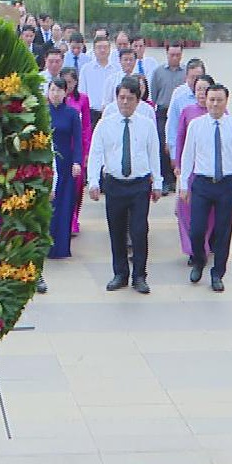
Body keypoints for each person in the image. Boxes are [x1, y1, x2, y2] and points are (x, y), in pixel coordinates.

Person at [87, 77, 162, 294]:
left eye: (130, 98)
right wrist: (93, 181)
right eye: (121, 98)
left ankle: (139, 275)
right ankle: (120, 273)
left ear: (138, 100)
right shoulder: (105, 124)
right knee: (116, 230)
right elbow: (96, 153)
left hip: (139, 185)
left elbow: (153, 153)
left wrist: (158, 182)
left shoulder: (146, 125)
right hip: (114, 184)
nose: (125, 102)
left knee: (139, 231)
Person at [180, 83, 232, 292]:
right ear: (205, 100)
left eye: (219, 100)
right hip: (202, 183)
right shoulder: (196, 125)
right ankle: (199, 260)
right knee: (197, 229)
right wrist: (183, 184)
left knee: (223, 232)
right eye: (211, 99)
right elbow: (188, 156)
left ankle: (218, 273)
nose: (215, 104)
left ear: (226, 101)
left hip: (226, 184)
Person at [174, 74, 215, 265]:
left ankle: (203, 246)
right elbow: (180, 139)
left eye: (205, 89)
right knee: (187, 210)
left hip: (210, 172)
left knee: (209, 213)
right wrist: (178, 164)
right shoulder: (187, 111)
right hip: (191, 170)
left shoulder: (220, 113)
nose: (201, 93)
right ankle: (192, 249)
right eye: (198, 89)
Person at [46, 78, 82, 259]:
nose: (55, 94)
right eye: (52, 90)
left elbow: (78, 140)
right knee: (49, 205)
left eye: (59, 90)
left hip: (66, 164)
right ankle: (46, 245)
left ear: (65, 93)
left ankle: (61, 247)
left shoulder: (72, 114)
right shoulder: (42, 112)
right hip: (47, 163)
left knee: (64, 204)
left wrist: (77, 162)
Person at [150, 42, 185, 194]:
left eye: (178, 55)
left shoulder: (186, 72)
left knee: (179, 145)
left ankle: (175, 179)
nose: (175, 58)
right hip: (163, 112)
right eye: (172, 55)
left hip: (180, 113)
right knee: (163, 146)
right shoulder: (158, 72)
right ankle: (164, 179)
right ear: (167, 54)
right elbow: (154, 94)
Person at [61, 67, 91, 236]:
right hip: (62, 147)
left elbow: (86, 126)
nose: (68, 86)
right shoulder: (56, 99)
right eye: (65, 82)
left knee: (77, 186)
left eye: (70, 82)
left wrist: (86, 152)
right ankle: (67, 220)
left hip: (77, 148)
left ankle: (74, 218)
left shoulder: (83, 100)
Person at [166, 58, 206, 171]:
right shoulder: (179, 95)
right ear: (186, 77)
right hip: (185, 148)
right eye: (192, 77)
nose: (195, 81)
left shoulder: (212, 96)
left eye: (198, 77)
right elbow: (172, 125)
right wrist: (174, 154)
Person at [78, 35, 116, 130]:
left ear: (110, 49)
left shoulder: (116, 70)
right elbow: (82, 93)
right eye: (99, 47)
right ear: (94, 50)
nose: (102, 50)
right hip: (91, 114)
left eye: (105, 47)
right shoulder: (86, 69)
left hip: (111, 114)